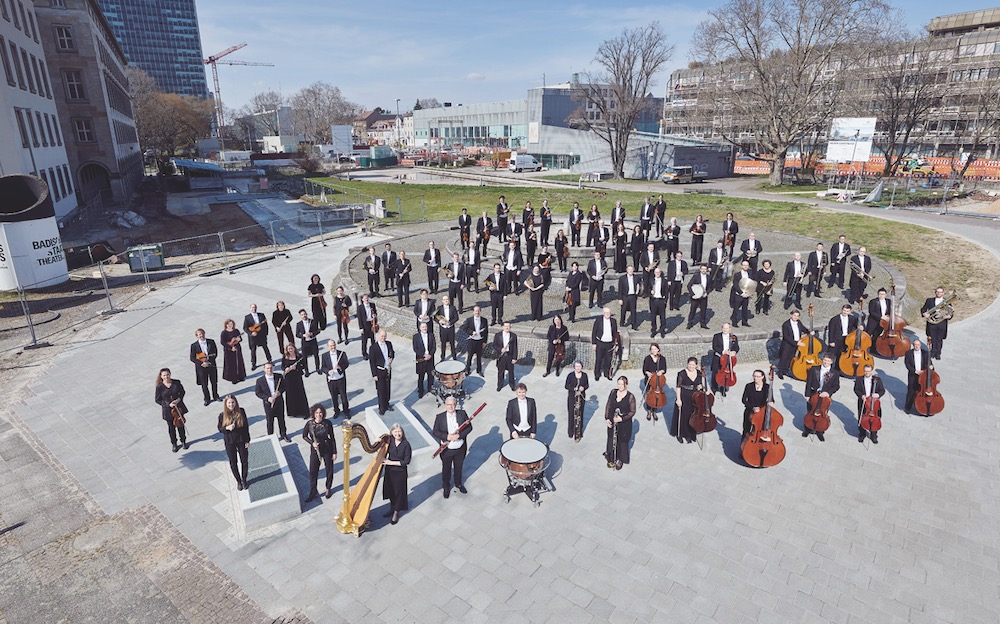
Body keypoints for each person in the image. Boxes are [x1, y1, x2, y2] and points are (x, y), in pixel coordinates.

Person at [432, 397, 470, 498]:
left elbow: (469, 427)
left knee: (458, 467)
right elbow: (435, 431)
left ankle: (458, 484)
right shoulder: (440, 417)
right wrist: (447, 436)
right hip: (447, 450)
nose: (451, 407)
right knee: (446, 469)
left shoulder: (462, 414)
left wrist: (459, 436)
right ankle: (446, 486)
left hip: (460, 448)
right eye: (448, 405)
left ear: (456, 404)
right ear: (445, 405)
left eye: (453, 404)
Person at [302, 404, 337, 502]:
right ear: (313, 414)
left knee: (329, 470)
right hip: (316, 450)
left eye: (320, 412)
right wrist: (312, 443)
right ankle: (313, 491)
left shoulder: (328, 423)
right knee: (313, 471)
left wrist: (334, 452)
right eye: (316, 412)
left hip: (327, 448)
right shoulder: (309, 424)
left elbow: (332, 438)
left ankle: (328, 488)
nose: (319, 414)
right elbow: (304, 436)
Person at [803, 354, 840, 441]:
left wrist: (828, 393)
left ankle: (820, 431)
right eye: (825, 360)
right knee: (810, 411)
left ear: (831, 362)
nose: (826, 362)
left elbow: (836, 386)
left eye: (828, 361)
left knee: (823, 413)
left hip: (825, 398)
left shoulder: (835, 373)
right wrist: (807, 395)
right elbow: (808, 383)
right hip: (813, 394)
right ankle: (807, 429)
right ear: (822, 360)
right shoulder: (814, 369)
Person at [217, 395, 250, 491]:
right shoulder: (222, 415)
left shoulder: (241, 411)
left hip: (241, 439)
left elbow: (246, 426)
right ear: (226, 404)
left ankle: (244, 479)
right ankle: (238, 481)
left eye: (232, 402)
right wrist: (227, 428)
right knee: (233, 463)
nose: (231, 404)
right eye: (229, 403)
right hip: (230, 441)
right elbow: (220, 429)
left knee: (244, 461)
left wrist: (247, 440)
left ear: (235, 403)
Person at [604, 376, 636, 470]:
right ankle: (611, 457)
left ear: (626, 385)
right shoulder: (613, 392)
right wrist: (607, 418)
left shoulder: (630, 397)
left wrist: (621, 419)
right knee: (611, 439)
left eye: (622, 384)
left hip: (624, 424)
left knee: (622, 442)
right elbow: (608, 405)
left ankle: (621, 459)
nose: (620, 386)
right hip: (612, 421)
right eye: (618, 383)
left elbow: (632, 412)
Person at [381, 424, 411, 525]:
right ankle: (392, 507)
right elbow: (381, 445)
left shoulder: (406, 444)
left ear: (402, 433)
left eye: (399, 432)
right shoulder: (390, 441)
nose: (398, 434)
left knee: (398, 492)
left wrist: (391, 462)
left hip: (400, 472)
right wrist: (377, 440)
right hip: (389, 471)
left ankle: (396, 512)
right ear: (392, 433)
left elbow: (406, 461)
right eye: (395, 432)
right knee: (390, 490)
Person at [154, 368, 188, 452]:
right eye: (164, 375)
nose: (166, 377)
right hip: (168, 410)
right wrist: (168, 404)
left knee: (180, 425)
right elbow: (157, 400)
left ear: (170, 374)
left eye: (167, 375)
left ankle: (183, 441)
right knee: (171, 428)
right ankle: (174, 443)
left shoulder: (176, 382)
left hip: (178, 408)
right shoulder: (159, 387)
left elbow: (182, 392)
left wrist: (178, 400)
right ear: (161, 376)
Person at [672, 357, 703, 443]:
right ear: (687, 364)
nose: (691, 366)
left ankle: (690, 434)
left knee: (692, 416)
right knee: (683, 416)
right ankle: (681, 434)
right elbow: (678, 387)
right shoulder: (681, 373)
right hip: (684, 395)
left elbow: (699, 384)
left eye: (693, 365)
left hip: (694, 397)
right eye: (689, 364)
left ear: (696, 365)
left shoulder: (699, 373)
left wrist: (701, 387)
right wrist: (678, 399)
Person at [254, 362, 288, 441]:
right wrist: (267, 398)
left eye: (271, 368)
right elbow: (258, 392)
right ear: (264, 369)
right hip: (268, 404)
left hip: (279, 402)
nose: (269, 370)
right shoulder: (260, 380)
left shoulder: (279, 377)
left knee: (281, 419)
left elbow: (285, 386)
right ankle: (271, 437)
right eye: (268, 368)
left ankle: (283, 434)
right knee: (270, 421)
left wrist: (279, 392)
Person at [854, 364, 885, 443]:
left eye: (869, 371)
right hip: (863, 402)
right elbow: (856, 389)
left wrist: (877, 395)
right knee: (862, 418)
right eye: (865, 371)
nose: (867, 373)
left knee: (875, 419)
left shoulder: (877, 380)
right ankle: (862, 434)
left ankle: (874, 435)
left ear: (871, 371)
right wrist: (861, 396)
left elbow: (882, 390)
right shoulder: (859, 379)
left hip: (874, 404)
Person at [189, 328, 219, 406]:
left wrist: (209, 362)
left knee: (214, 382)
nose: (201, 335)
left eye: (202, 333)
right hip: (201, 367)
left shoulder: (211, 342)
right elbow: (192, 358)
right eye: (199, 334)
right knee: (204, 384)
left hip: (211, 365)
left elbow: (215, 353)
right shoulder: (194, 345)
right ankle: (207, 399)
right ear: (197, 336)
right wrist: (202, 363)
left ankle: (216, 396)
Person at [320, 339, 350, 417]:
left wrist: (340, 367)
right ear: (328, 347)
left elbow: (346, 364)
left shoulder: (342, 353)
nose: (333, 347)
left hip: (340, 378)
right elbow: (323, 367)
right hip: (331, 380)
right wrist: (328, 371)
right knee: (333, 396)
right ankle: (336, 411)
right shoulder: (324, 355)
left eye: (334, 345)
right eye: (331, 346)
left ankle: (346, 410)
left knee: (343, 396)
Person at [777, 310, 809, 379]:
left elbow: (803, 328)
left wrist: (809, 332)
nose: (795, 317)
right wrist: (796, 343)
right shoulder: (786, 324)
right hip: (787, 344)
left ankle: (786, 370)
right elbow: (786, 337)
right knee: (784, 358)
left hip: (796, 344)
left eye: (797, 316)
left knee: (791, 357)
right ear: (791, 315)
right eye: (794, 315)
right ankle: (780, 372)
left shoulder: (799, 322)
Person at [280, 344, 310, 419]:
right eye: (289, 349)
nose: (290, 350)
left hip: (297, 377)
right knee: (290, 394)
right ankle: (293, 412)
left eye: (291, 348)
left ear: (294, 348)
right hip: (288, 378)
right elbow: (282, 366)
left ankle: (304, 412)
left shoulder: (299, 356)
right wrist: (286, 369)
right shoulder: (285, 357)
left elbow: (304, 366)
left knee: (300, 393)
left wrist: (296, 367)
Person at [370, 329, 395, 415]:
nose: (383, 338)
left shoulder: (389, 344)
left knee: (387, 388)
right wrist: (374, 374)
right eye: (381, 336)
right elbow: (372, 362)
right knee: (381, 390)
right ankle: (381, 407)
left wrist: (391, 358)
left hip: (387, 369)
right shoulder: (373, 348)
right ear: (378, 336)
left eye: (384, 336)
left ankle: (387, 404)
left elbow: (392, 353)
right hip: (379, 371)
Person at [904, 339, 931, 415]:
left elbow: (929, 363)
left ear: (920, 345)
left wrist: (931, 367)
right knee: (911, 391)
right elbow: (907, 364)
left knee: (921, 391)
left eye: (918, 345)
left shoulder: (925, 353)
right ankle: (907, 408)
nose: (917, 346)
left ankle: (921, 408)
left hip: (923, 376)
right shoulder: (908, 353)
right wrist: (914, 371)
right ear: (913, 345)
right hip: (913, 375)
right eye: (915, 345)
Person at [710, 323, 740, 395]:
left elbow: (736, 347)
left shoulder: (733, 337)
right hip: (718, 356)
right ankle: (714, 388)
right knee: (715, 372)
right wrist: (723, 352)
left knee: (726, 373)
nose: (725, 330)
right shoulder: (717, 336)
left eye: (726, 328)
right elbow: (715, 347)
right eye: (724, 328)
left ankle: (723, 388)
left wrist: (734, 352)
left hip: (727, 358)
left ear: (730, 329)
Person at [921, 287, 949, 360]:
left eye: (940, 292)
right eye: (937, 292)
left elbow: (950, 312)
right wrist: (924, 314)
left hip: (941, 323)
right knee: (932, 338)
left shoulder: (947, 301)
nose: (938, 293)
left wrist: (948, 316)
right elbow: (923, 309)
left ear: (943, 293)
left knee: (939, 339)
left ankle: (938, 353)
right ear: (935, 292)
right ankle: (932, 352)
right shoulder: (929, 300)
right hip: (932, 322)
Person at [591, 307, 618, 381]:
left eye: (608, 313)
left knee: (608, 360)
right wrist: (594, 343)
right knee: (598, 359)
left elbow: (616, 333)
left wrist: (616, 345)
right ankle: (597, 374)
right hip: (600, 343)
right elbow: (594, 332)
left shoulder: (613, 321)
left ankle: (607, 373)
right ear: (603, 313)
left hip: (609, 344)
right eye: (606, 313)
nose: (607, 314)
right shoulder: (598, 320)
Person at [642, 344, 667, 421]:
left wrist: (661, 371)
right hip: (650, 380)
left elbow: (664, 369)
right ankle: (649, 411)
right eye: (652, 349)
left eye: (655, 349)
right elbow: (644, 369)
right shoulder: (647, 358)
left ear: (658, 349)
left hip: (658, 381)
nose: (654, 351)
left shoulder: (662, 358)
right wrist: (648, 373)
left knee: (657, 397)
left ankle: (654, 411)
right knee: (649, 396)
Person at [741, 369, 769, 438]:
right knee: (746, 429)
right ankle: (744, 446)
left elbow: (771, 399)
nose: (755, 378)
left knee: (760, 430)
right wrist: (753, 408)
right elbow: (744, 400)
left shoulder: (767, 387)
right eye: (754, 376)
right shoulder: (749, 386)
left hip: (761, 412)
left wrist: (770, 402)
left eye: (757, 376)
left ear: (762, 377)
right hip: (750, 410)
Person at [243, 304, 272, 371]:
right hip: (253, 337)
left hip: (261, 335)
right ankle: (253, 364)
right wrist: (251, 333)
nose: (254, 309)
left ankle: (269, 360)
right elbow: (245, 328)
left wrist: (266, 334)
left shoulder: (261, 315)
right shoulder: (247, 317)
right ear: (250, 308)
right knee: (253, 350)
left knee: (265, 347)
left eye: (255, 307)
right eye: (252, 307)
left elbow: (265, 325)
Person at [565, 361, 589, 441]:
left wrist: (583, 388)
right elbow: (566, 386)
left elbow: (587, 385)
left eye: (579, 366)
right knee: (571, 414)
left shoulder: (585, 375)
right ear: (574, 367)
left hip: (581, 398)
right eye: (576, 366)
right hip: (572, 397)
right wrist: (574, 389)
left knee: (580, 414)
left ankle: (579, 432)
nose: (578, 368)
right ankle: (570, 431)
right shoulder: (570, 375)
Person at [462, 306, 488, 376]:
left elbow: (486, 332)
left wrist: (485, 342)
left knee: (479, 356)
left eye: (478, 311)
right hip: (472, 341)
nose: (477, 312)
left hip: (480, 341)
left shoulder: (484, 320)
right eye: (476, 311)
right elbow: (464, 328)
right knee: (470, 356)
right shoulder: (469, 320)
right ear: (473, 312)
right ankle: (467, 370)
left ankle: (479, 370)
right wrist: (472, 332)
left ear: (480, 311)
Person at [413, 322, 436, 398]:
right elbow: (415, 349)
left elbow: (434, 347)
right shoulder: (415, 337)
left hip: (430, 358)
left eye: (425, 327)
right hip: (421, 359)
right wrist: (424, 355)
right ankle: (421, 390)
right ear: (420, 328)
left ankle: (430, 388)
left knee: (430, 375)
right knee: (421, 376)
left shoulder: (431, 335)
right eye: (423, 327)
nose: (424, 328)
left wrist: (430, 355)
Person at [493, 321, 517, 392]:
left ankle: (512, 385)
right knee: (500, 371)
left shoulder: (513, 336)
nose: (507, 327)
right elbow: (494, 345)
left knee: (511, 371)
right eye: (506, 326)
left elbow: (515, 347)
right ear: (503, 327)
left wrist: (514, 358)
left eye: (508, 326)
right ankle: (499, 385)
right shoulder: (498, 335)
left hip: (509, 356)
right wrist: (500, 349)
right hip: (502, 356)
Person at [220, 319, 246, 384]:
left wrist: (239, 339)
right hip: (228, 350)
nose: (230, 325)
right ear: (226, 325)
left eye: (231, 324)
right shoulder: (224, 332)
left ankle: (241, 376)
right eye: (229, 324)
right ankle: (233, 378)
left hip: (237, 348)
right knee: (231, 364)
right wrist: (230, 347)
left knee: (239, 362)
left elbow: (240, 339)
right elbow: (222, 342)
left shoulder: (236, 331)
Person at [295, 309, 320, 375]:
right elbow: (297, 334)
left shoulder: (312, 321)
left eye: (305, 314)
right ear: (300, 316)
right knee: (304, 357)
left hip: (313, 341)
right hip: (305, 343)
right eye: (302, 315)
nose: (304, 316)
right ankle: (306, 371)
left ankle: (317, 368)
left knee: (316, 355)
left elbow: (318, 330)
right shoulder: (299, 324)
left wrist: (312, 333)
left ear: (307, 314)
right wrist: (303, 335)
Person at [729, 260, 754, 327]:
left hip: (747, 294)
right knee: (736, 308)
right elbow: (735, 285)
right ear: (742, 266)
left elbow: (751, 284)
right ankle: (734, 321)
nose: (746, 266)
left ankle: (744, 322)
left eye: (747, 265)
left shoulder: (750, 273)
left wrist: (749, 293)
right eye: (744, 265)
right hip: (739, 294)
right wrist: (741, 293)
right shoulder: (737, 274)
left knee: (745, 309)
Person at [686, 264, 711, 329]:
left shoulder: (708, 277)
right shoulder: (696, 276)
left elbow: (710, 287)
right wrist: (692, 295)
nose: (703, 270)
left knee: (703, 311)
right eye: (702, 269)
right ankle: (690, 323)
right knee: (693, 310)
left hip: (704, 296)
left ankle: (703, 324)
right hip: (696, 297)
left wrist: (707, 293)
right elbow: (689, 285)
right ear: (700, 269)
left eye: (705, 269)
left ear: (707, 270)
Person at [618, 265, 642, 331]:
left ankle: (634, 325)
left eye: (631, 269)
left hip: (633, 296)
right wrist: (620, 298)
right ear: (626, 270)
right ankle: (622, 323)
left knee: (633, 311)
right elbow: (620, 289)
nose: (630, 271)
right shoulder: (622, 278)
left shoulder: (636, 277)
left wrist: (638, 292)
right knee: (623, 310)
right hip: (625, 296)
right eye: (629, 269)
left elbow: (640, 284)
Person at [437, 294, 459, 360]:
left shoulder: (453, 307)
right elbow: (435, 317)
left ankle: (454, 357)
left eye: (447, 299)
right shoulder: (439, 308)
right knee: (443, 343)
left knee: (452, 343)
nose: (446, 300)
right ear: (442, 301)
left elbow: (456, 318)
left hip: (450, 328)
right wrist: (439, 321)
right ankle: (442, 357)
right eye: (444, 299)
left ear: (449, 300)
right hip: (443, 328)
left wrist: (450, 322)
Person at [648, 267, 668, 338]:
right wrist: (650, 292)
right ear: (654, 273)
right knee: (653, 317)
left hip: (661, 300)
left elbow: (666, 292)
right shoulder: (651, 280)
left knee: (662, 317)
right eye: (656, 272)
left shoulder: (664, 281)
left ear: (660, 273)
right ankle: (654, 330)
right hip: (653, 300)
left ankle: (662, 331)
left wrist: (665, 301)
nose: (657, 274)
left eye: (658, 272)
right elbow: (647, 290)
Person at [357, 294, 377, 359]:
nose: (366, 299)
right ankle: (364, 353)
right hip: (364, 325)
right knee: (364, 341)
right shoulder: (360, 307)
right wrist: (361, 328)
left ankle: (373, 352)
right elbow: (359, 318)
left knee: (373, 340)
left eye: (367, 298)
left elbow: (375, 313)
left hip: (371, 324)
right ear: (362, 299)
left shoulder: (372, 305)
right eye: (365, 298)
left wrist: (374, 316)